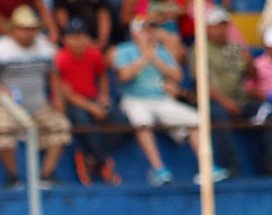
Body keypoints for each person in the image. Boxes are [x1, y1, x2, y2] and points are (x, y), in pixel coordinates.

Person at [111, 17, 228, 187]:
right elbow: (124, 76)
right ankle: (159, 169)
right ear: (135, 33)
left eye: (151, 29)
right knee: (142, 123)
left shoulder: (162, 51)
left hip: (161, 99)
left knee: (197, 120)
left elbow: (178, 76)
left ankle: (207, 167)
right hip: (135, 99)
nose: (149, 33)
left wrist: (155, 58)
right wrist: (145, 56)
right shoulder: (124, 50)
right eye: (144, 30)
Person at [0, 5, 71, 189]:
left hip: (37, 102)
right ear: (13, 29)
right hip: (4, 103)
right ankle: (12, 176)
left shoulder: (45, 47)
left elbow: (53, 74)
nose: (27, 33)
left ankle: (46, 174)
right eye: (23, 28)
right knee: (3, 130)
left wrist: (58, 98)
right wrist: (1, 89)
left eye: (30, 28)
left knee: (61, 126)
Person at [190, 6, 272, 177]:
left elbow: (251, 75)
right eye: (217, 26)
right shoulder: (199, 49)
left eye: (224, 25)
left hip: (240, 101)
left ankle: (268, 166)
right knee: (218, 114)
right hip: (214, 102)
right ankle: (230, 167)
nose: (221, 30)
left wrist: (249, 63)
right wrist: (226, 102)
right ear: (207, 28)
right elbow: (202, 84)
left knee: (267, 113)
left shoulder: (235, 48)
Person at [55, 18, 126, 185]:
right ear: (66, 39)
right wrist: (92, 108)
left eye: (81, 36)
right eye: (73, 36)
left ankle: (90, 157)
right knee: (83, 121)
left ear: (87, 38)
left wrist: (104, 97)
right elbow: (66, 93)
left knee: (123, 122)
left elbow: (102, 76)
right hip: (73, 103)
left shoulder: (94, 54)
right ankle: (104, 163)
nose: (78, 40)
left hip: (92, 99)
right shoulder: (61, 59)